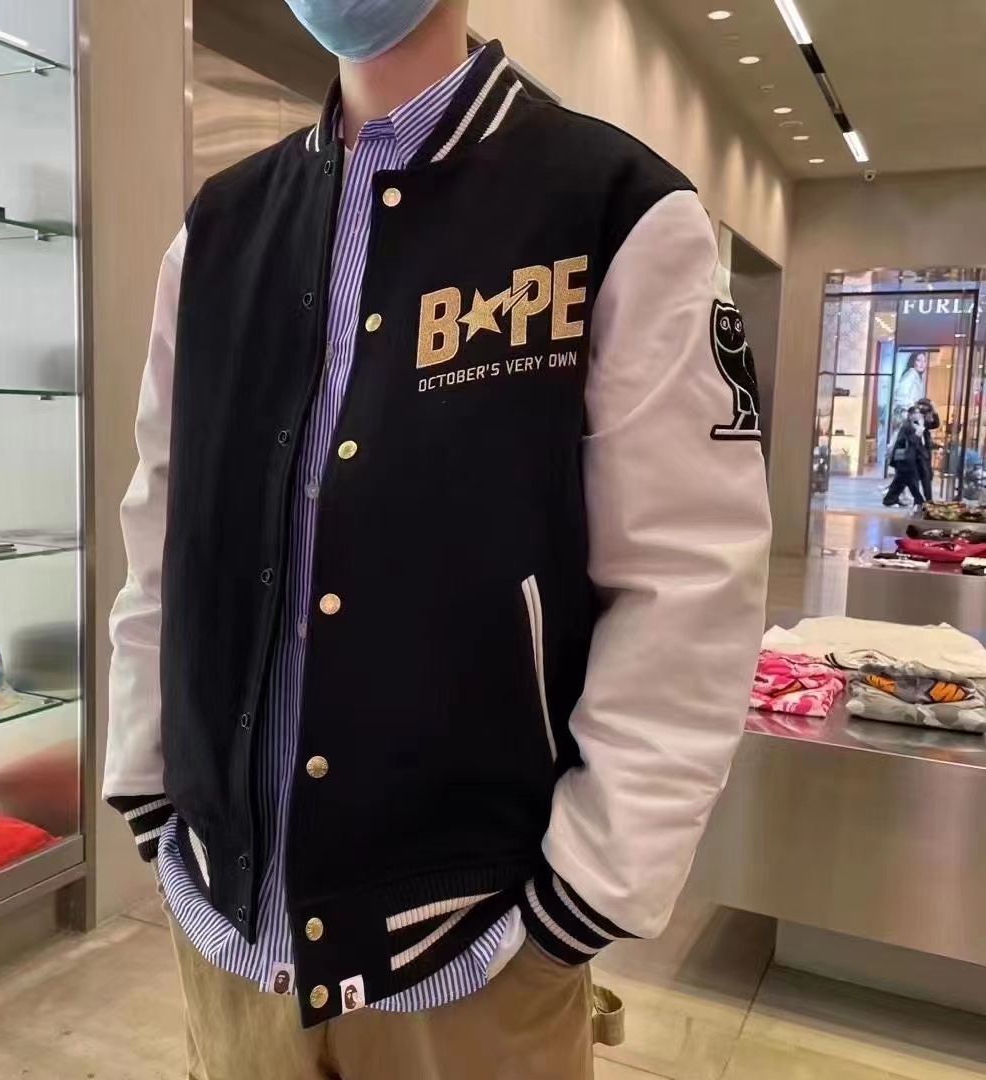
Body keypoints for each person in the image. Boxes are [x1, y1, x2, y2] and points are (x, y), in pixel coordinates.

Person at [103, 3, 772, 1077]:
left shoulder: (611, 209)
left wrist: (583, 903)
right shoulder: (217, 232)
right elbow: (163, 526)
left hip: (472, 955)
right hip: (226, 930)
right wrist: (150, 788)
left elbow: (689, 587)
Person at [884, 409, 926, 510]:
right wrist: (917, 434)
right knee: (910, 481)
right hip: (906, 459)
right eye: (916, 413)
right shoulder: (907, 426)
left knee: (902, 481)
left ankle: (890, 499)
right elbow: (908, 441)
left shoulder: (912, 425)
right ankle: (919, 501)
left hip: (908, 459)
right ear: (911, 415)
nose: (918, 415)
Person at [915, 397, 940, 504]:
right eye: (922, 406)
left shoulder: (924, 421)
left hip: (924, 452)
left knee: (926, 476)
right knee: (918, 477)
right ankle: (922, 500)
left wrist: (934, 411)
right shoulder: (914, 419)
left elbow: (935, 424)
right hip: (917, 453)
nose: (924, 408)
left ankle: (927, 499)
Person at [894, 352, 928, 418]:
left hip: (912, 414)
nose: (922, 364)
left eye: (924, 361)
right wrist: (907, 411)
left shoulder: (918, 377)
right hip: (906, 413)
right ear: (913, 361)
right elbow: (900, 395)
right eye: (918, 360)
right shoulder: (911, 374)